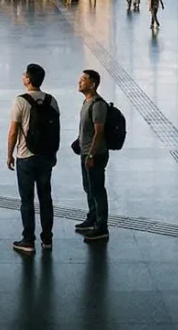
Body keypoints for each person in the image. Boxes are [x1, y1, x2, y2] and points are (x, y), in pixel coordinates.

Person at [6, 63, 60, 254]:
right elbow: (55, 130)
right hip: (46, 157)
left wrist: (9, 155)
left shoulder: (20, 101)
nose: (22, 77)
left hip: (25, 157)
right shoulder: (52, 100)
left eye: (24, 75)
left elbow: (13, 131)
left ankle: (28, 240)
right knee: (46, 198)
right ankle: (47, 239)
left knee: (26, 200)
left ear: (28, 79)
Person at [76, 69, 109, 243]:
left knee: (97, 190)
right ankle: (92, 218)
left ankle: (101, 227)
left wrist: (90, 155)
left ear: (93, 84)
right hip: (86, 152)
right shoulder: (86, 102)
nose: (80, 82)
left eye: (84, 79)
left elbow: (99, 132)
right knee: (89, 188)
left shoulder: (98, 104)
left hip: (94, 155)